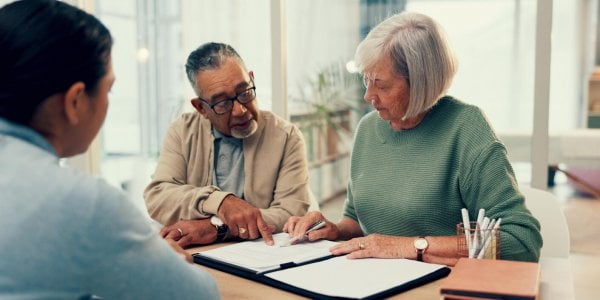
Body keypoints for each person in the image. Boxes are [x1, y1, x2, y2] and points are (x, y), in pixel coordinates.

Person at [284, 11, 542, 265]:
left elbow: (521, 241)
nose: (368, 95)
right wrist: (333, 230)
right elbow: (357, 219)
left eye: (381, 84)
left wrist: (410, 247)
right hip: (373, 281)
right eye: (366, 80)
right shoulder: (368, 129)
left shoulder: (466, 129)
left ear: (421, 83)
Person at [0, 1, 218, 298]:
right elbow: (199, 296)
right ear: (75, 101)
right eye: (108, 89)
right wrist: (156, 258)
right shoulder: (82, 202)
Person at [144, 42, 311, 247]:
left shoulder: (287, 136)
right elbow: (158, 196)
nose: (240, 110)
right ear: (201, 108)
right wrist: (221, 202)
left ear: (251, 78)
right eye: (222, 103)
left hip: (260, 253)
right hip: (196, 253)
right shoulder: (182, 131)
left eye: (244, 92)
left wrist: (217, 228)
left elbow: (290, 212)